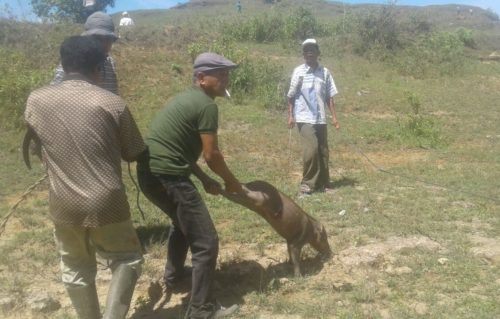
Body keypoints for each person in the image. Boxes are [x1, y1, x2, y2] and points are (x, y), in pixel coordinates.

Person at [24, 36, 146, 319]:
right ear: (99, 69)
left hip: (63, 202)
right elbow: (133, 152)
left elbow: (37, 146)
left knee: (75, 267)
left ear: (64, 65)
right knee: (127, 259)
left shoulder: (36, 99)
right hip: (108, 203)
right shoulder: (112, 103)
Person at [137, 52, 242, 319]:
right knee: (206, 242)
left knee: (181, 222)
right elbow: (212, 155)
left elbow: (179, 150)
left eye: (227, 74)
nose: (225, 79)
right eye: (220, 74)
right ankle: (201, 310)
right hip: (169, 176)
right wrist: (231, 182)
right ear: (201, 78)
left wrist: (205, 179)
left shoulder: (186, 99)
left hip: (149, 174)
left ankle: (174, 277)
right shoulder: (207, 106)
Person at [287, 38, 340, 196]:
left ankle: (324, 183)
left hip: (321, 118)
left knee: (323, 151)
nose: (309, 53)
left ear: (318, 53)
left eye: (312, 50)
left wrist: (335, 118)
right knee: (312, 150)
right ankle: (307, 185)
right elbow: (291, 95)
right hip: (304, 117)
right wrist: (291, 116)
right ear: (303, 54)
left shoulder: (325, 72)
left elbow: (329, 97)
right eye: (306, 50)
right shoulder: (299, 72)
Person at [51, 11, 119, 95]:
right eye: (97, 38)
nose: (103, 44)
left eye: (108, 39)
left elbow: (113, 94)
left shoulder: (110, 63)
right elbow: (55, 92)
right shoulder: (73, 61)